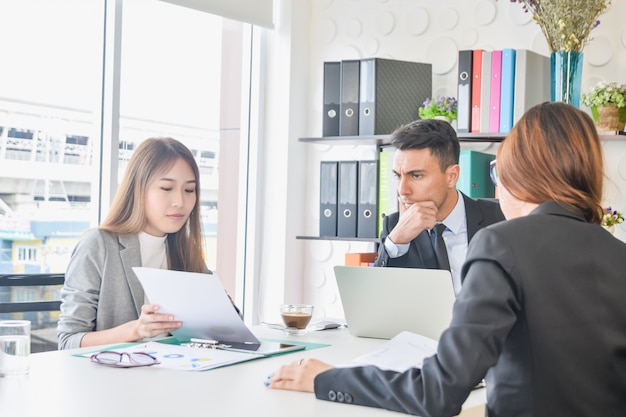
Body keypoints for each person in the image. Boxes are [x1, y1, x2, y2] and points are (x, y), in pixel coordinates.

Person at [267, 102, 626, 417]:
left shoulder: (501, 241)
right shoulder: (617, 253)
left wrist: (326, 378)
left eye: (499, 171)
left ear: (523, 174)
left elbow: (437, 393)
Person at [57, 137, 235, 350]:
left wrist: (225, 313)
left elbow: (226, 327)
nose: (180, 201)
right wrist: (136, 330)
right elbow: (68, 342)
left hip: (176, 374)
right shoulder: (98, 245)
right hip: (116, 378)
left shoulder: (184, 249)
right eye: (167, 188)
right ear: (138, 190)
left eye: (189, 190)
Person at [374, 119, 504, 294]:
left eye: (416, 176)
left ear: (451, 176)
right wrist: (396, 241)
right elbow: (376, 298)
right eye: (398, 176)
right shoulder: (394, 227)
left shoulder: (498, 218)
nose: (402, 190)